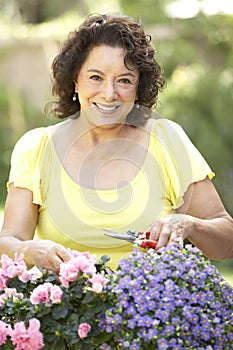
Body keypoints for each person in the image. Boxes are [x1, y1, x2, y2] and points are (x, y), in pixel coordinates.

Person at [0, 13, 233, 272]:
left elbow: (226, 242)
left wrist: (190, 224)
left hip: (151, 309)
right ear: (75, 80)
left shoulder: (166, 139)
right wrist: (30, 249)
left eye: (124, 80)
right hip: (66, 309)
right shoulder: (37, 148)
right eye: (96, 77)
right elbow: (9, 242)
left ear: (138, 87)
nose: (110, 94)